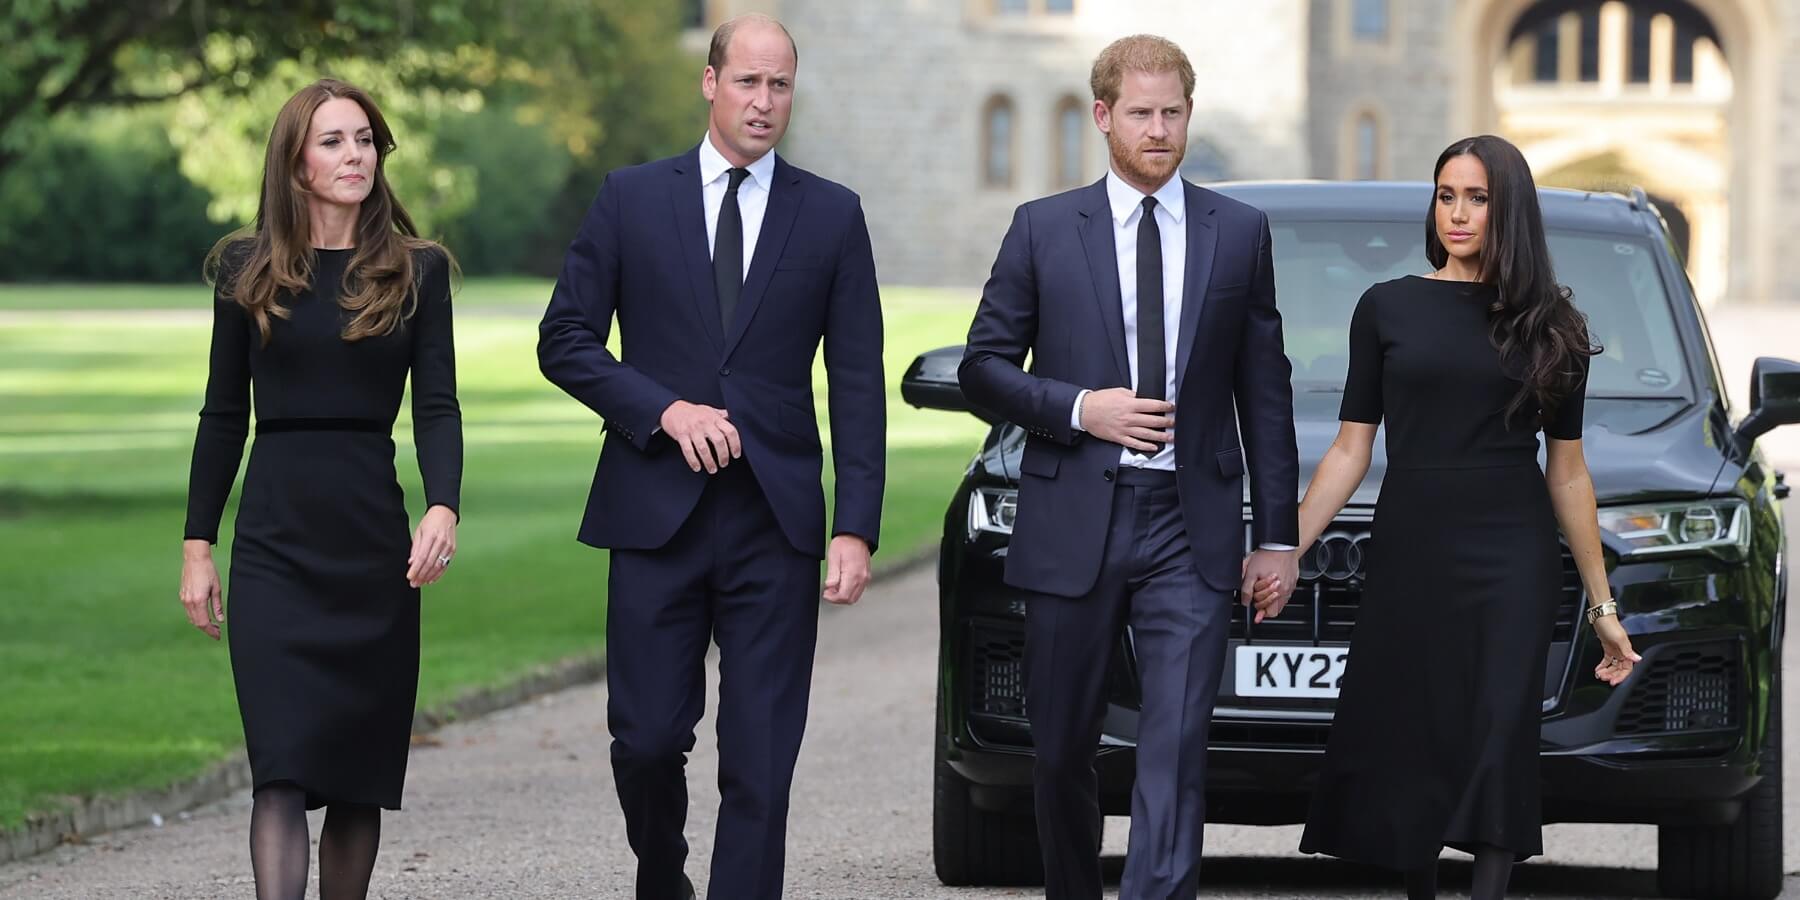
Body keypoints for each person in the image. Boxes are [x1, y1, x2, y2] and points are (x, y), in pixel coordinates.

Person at [536, 14, 885, 900]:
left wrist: (856, 527)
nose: (764, 103)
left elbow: (855, 382)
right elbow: (565, 339)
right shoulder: (630, 198)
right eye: (748, 83)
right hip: (653, 512)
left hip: (776, 523)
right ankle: (663, 870)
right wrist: (662, 409)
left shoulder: (833, 215)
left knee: (761, 760)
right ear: (711, 82)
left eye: (780, 86)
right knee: (647, 741)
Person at [957, 34, 1301, 900]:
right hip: (1074, 513)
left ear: (1190, 113)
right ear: (1103, 115)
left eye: (1173, 112)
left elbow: (1265, 393)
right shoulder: (1042, 228)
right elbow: (983, 367)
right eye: (1140, 113)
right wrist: (1082, 409)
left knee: (1177, 741)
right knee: (1063, 744)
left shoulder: (1239, 232)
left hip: (1193, 524)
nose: (1158, 130)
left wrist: (1278, 538)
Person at [1286, 134, 1641, 900]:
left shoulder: (1555, 327)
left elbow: (1569, 474)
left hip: (1510, 552)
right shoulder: (1385, 308)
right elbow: (1350, 450)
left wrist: (1603, 605)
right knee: (1413, 724)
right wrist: (1283, 546)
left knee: (1497, 725)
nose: (1457, 212)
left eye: (1477, 198)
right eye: (1446, 195)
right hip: (1412, 540)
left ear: (1507, 209)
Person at [177, 78, 462, 900]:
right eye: (334, 141)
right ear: (295, 163)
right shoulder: (245, 268)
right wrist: (199, 546)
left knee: (358, 773)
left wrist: (442, 502)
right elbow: (223, 414)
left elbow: (437, 405)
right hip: (275, 541)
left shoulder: (418, 272)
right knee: (283, 770)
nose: (355, 156)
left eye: (366, 139)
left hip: (371, 543)